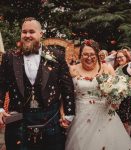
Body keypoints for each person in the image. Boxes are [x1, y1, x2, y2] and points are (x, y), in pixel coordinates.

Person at [0, 17, 75, 150]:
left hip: (50, 117)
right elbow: (1, 83)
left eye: (31, 32)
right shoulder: (9, 56)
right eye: (24, 32)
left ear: (41, 34)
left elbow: (67, 86)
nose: (27, 35)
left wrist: (69, 113)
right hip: (18, 117)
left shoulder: (56, 55)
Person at [65, 39, 131, 150]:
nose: (89, 57)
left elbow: (118, 90)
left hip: (105, 115)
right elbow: (66, 94)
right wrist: (64, 114)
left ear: (97, 55)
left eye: (92, 54)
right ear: (80, 55)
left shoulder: (106, 68)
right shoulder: (73, 70)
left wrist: (115, 101)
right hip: (80, 116)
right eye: (85, 54)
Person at [114, 50, 131, 136]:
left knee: (127, 123)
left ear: (126, 57)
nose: (119, 59)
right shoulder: (117, 69)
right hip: (120, 98)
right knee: (121, 122)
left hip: (129, 98)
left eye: (121, 57)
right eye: (117, 57)